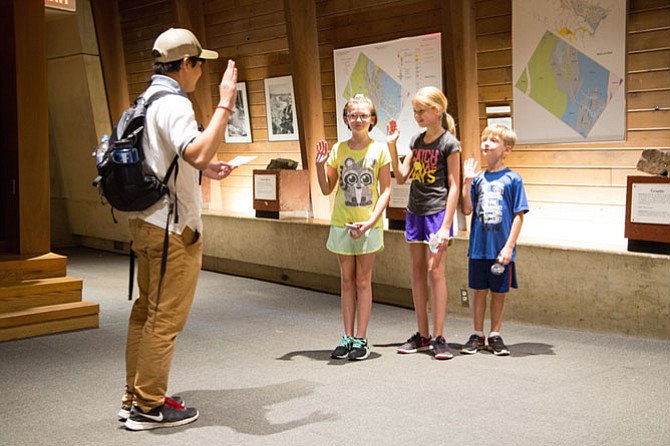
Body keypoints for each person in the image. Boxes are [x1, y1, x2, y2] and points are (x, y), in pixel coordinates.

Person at [119, 28, 238, 431]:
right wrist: (224, 103)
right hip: (172, 229)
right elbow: (199, 149)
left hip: (145, 221)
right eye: (199, 64)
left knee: (145, 314)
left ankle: (134, 396)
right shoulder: (174, 103)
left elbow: (180, 158)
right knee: (164, 320)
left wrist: (206, 168)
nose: (201, 72)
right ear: (185, 64)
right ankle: (149, 407)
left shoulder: (145, 99)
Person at [315, 94, 392, 361]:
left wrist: (371, 221)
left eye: (363, 115)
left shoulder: (380, 150)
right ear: (346, 119)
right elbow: (327, 188)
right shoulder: (338, 150)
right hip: (342, 222)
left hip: (369, 224)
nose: (358, 119)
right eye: (353, 115)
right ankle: (347, 337)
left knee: (362, 280)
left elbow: (386, 191)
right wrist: (318, 166)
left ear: (372, 120)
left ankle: (361, 338)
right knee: (346, 281)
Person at [387, 86, 461, 360]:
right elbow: (402, 176)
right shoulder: (417, 142)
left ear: (437, 110)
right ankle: (423, 334)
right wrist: (392, 145)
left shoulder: (449, 143)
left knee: (435, 272)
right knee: (417, 272)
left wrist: (445, 225)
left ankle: (440, 336)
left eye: (421, 110)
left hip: (437, 214)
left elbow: (453, 186)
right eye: (415, 111)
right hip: (414, 212)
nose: (416, 115)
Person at [460, 124, 529, 356]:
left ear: (506, 149)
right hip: (478, 247)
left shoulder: (513, 179)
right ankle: (478, 334)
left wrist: (509, 246)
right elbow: (467, 209)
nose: (486, 143)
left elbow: (519, 215)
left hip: (501, 248)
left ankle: (495, 334)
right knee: (479, 290)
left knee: (499, 293)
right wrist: (467, 181)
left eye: (493, 140)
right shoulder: (478, 179)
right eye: (484, 139)